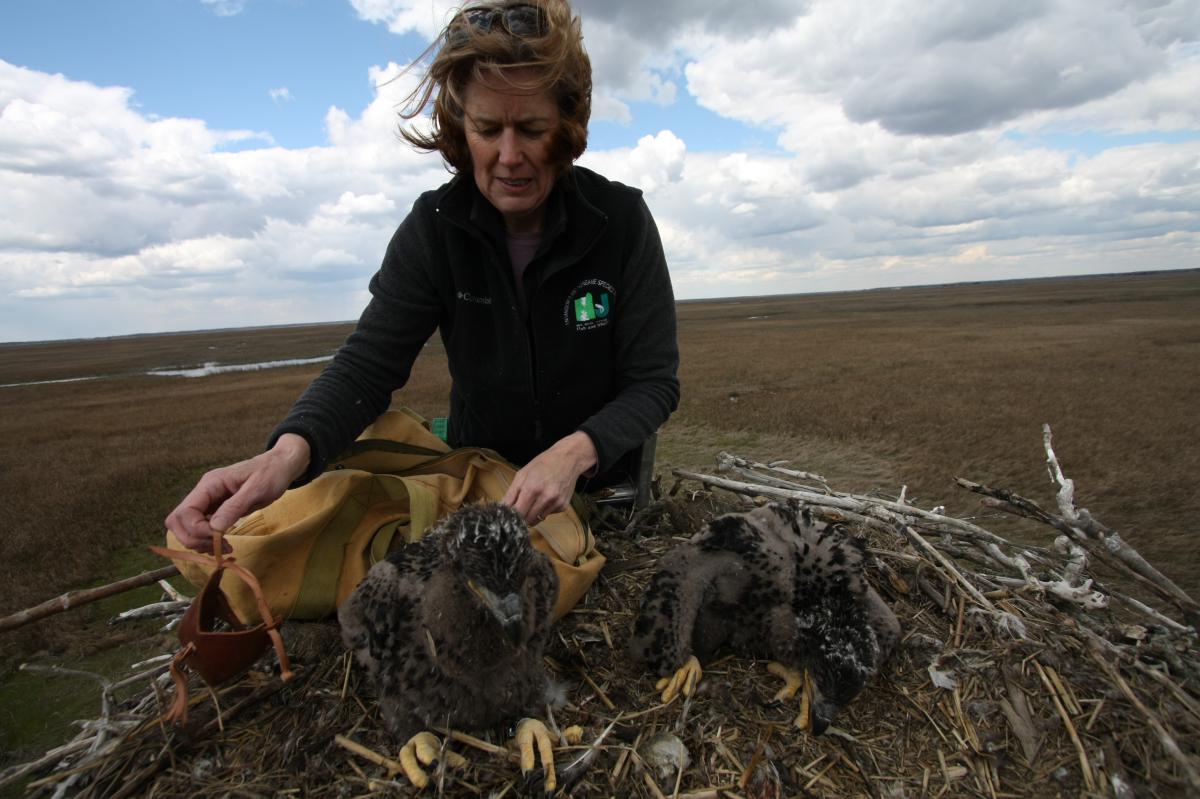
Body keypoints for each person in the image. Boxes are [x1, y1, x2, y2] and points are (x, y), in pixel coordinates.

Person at [166, 0, 680, 552]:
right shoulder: (434, 228)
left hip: (603, 491)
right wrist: (283, 456)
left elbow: (653, 382)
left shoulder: (621, 221)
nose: (509, 156)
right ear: (461, 130)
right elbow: (366, 369)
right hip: (481, 490)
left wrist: (573, 454)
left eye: (532, 128)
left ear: (568, 127)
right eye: (488, 128)